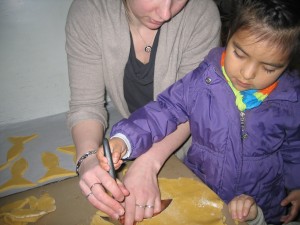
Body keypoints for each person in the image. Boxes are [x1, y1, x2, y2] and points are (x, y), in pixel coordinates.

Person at [99, 0, 300, 224]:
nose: (247, 73)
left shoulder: (292, 100)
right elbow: (165, 109)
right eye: (240, 54)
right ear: (228, 36)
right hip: (203, 190)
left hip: (262, 201)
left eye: (269, 68)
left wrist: (297, 184)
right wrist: (126, 139)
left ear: (287, 64)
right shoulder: (202, 81)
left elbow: (295, 147)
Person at [65, 0, 221, 223]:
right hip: (132, 137)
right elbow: (86, 104)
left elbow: (193, 106)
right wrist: (87, 159)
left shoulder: (201, 12)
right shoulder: (89, 11)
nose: (166, 13)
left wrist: (148, 163)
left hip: (191, 149)